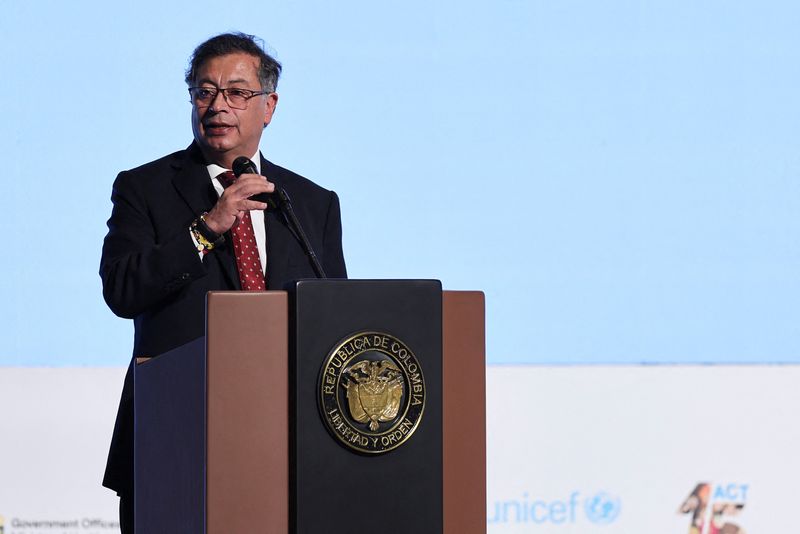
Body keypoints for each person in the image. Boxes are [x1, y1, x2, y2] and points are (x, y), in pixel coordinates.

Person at [99, 32, 346, 533]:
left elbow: (335, 314)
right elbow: (122, 290)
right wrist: (206, 228)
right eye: (204, 91)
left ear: (269, 106)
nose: (217, 106)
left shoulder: (311, 202)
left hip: (287, 443)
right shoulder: (143, 188)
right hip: (176, 437)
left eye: (237, 92)